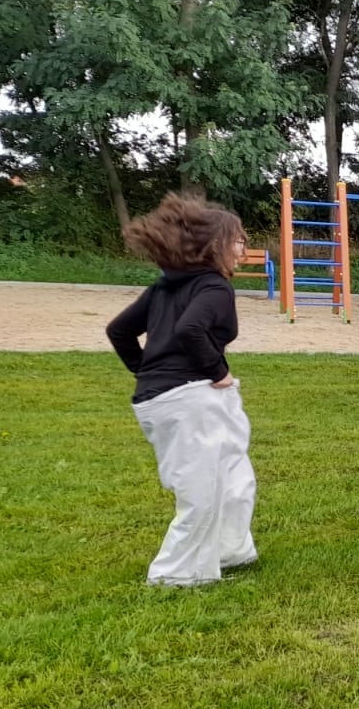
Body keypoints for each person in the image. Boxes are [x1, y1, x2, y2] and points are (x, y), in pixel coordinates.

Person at [105, 193, 257, 588]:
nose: (243, 249)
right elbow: (190, 329)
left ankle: (230, 549)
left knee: (234, 476)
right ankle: (176, 574)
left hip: (166, 397)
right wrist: (217, 372)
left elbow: (119, 331)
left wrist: (148, 373)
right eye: (238, 240)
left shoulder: (165, 287)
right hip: (190, 398)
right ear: (216, 245)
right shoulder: (214, 288)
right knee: (203, 488)